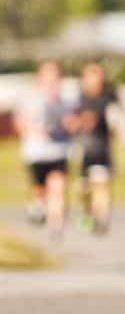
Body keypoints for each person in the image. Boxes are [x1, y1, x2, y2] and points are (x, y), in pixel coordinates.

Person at [15, 61, 78, 238]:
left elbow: (73, 124)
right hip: (37, 152)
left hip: (59, 150)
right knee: (40, 189)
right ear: (40, 78)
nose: (52, 81)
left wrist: (69, 124)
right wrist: (35, 131)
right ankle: (38, 204)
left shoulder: (65, 101)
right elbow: (21, 123)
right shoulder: (30, 99)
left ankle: (55, 225)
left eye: (55, 77)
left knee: (58, 186)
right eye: (48, 77)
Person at [76, 62, 118, 235]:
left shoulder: (107, 99)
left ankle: (102, 218)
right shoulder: (79, 99)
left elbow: (114, 125)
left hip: (101, 149)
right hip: (84, 151)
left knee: (101, 185)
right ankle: (89, 212)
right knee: (84, 189)